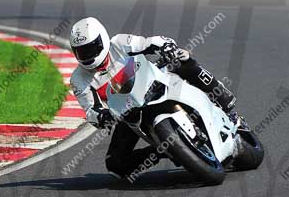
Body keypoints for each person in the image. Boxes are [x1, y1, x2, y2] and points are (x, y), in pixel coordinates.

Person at [69, 16, 236, 180]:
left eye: (90, 49)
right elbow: (90, 109)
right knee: (115, 165)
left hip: (152, 81)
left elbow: (150, 42)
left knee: (181, 58)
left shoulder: (119, 43)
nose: (87, 55)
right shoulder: (78, 79)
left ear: (102, 40)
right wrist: (101, 117)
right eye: (81, 51)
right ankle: (164, 150)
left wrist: (166, 46)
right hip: (128, 112)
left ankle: (221, 95)